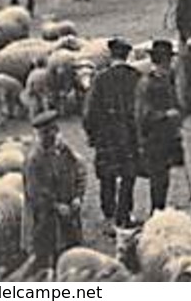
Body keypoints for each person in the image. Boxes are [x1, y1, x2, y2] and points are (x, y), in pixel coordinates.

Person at [83, 37, 140, 228]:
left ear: (111, 55)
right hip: (129, 135)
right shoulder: (136, 76)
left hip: (106, 136)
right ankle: (124, 214)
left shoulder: (100, 79)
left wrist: (91, 134)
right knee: (128, 174)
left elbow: (90, 110)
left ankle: (109, 213)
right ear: (127, 55)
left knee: (107, 174)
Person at [22, 110, 86, 271]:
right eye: (46, 133)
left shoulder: (65, 151)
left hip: (70, 211)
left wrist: (78, 196)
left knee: (73, 250)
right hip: (46, 217)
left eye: (54, 130)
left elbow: (79, 171)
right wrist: (56, 205)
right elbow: (35, 191)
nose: (53, 136)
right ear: (40, 136)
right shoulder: (34, 160)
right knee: (47, 252)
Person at [134, 40, 184, 213]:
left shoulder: (167, 80)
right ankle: (156, 210)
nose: (169, 64)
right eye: (167, 61)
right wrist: (165, 115)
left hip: (168, 135)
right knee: (158, 176)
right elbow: (143, 114)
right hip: (153, 137)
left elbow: (176, 102)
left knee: (164, 176)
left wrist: (178, 118)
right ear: (160, 62)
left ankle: (160, 207)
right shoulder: (147, 83)